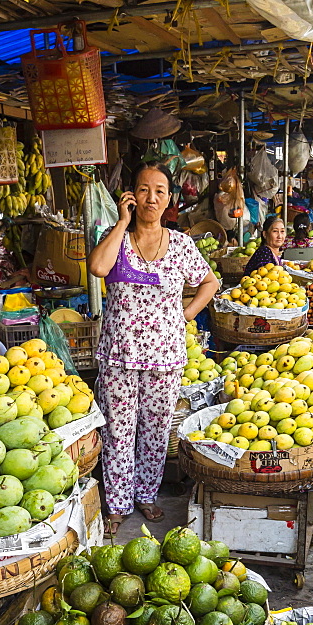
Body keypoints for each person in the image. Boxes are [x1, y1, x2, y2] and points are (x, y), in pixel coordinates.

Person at [87, 162, 218, 535]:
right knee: (118, 430)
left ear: (169, 199)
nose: (151, 197)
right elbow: (97, 267)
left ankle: (146, 495)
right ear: (132, 195)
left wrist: (187, 314)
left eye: (159, 190)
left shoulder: (180, 245)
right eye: (144, 189)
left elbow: (209, 281)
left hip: (166, 357)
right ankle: (117, 502)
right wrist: (121, 222)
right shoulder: (118, 240)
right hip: (119, 356)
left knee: (156, 432)